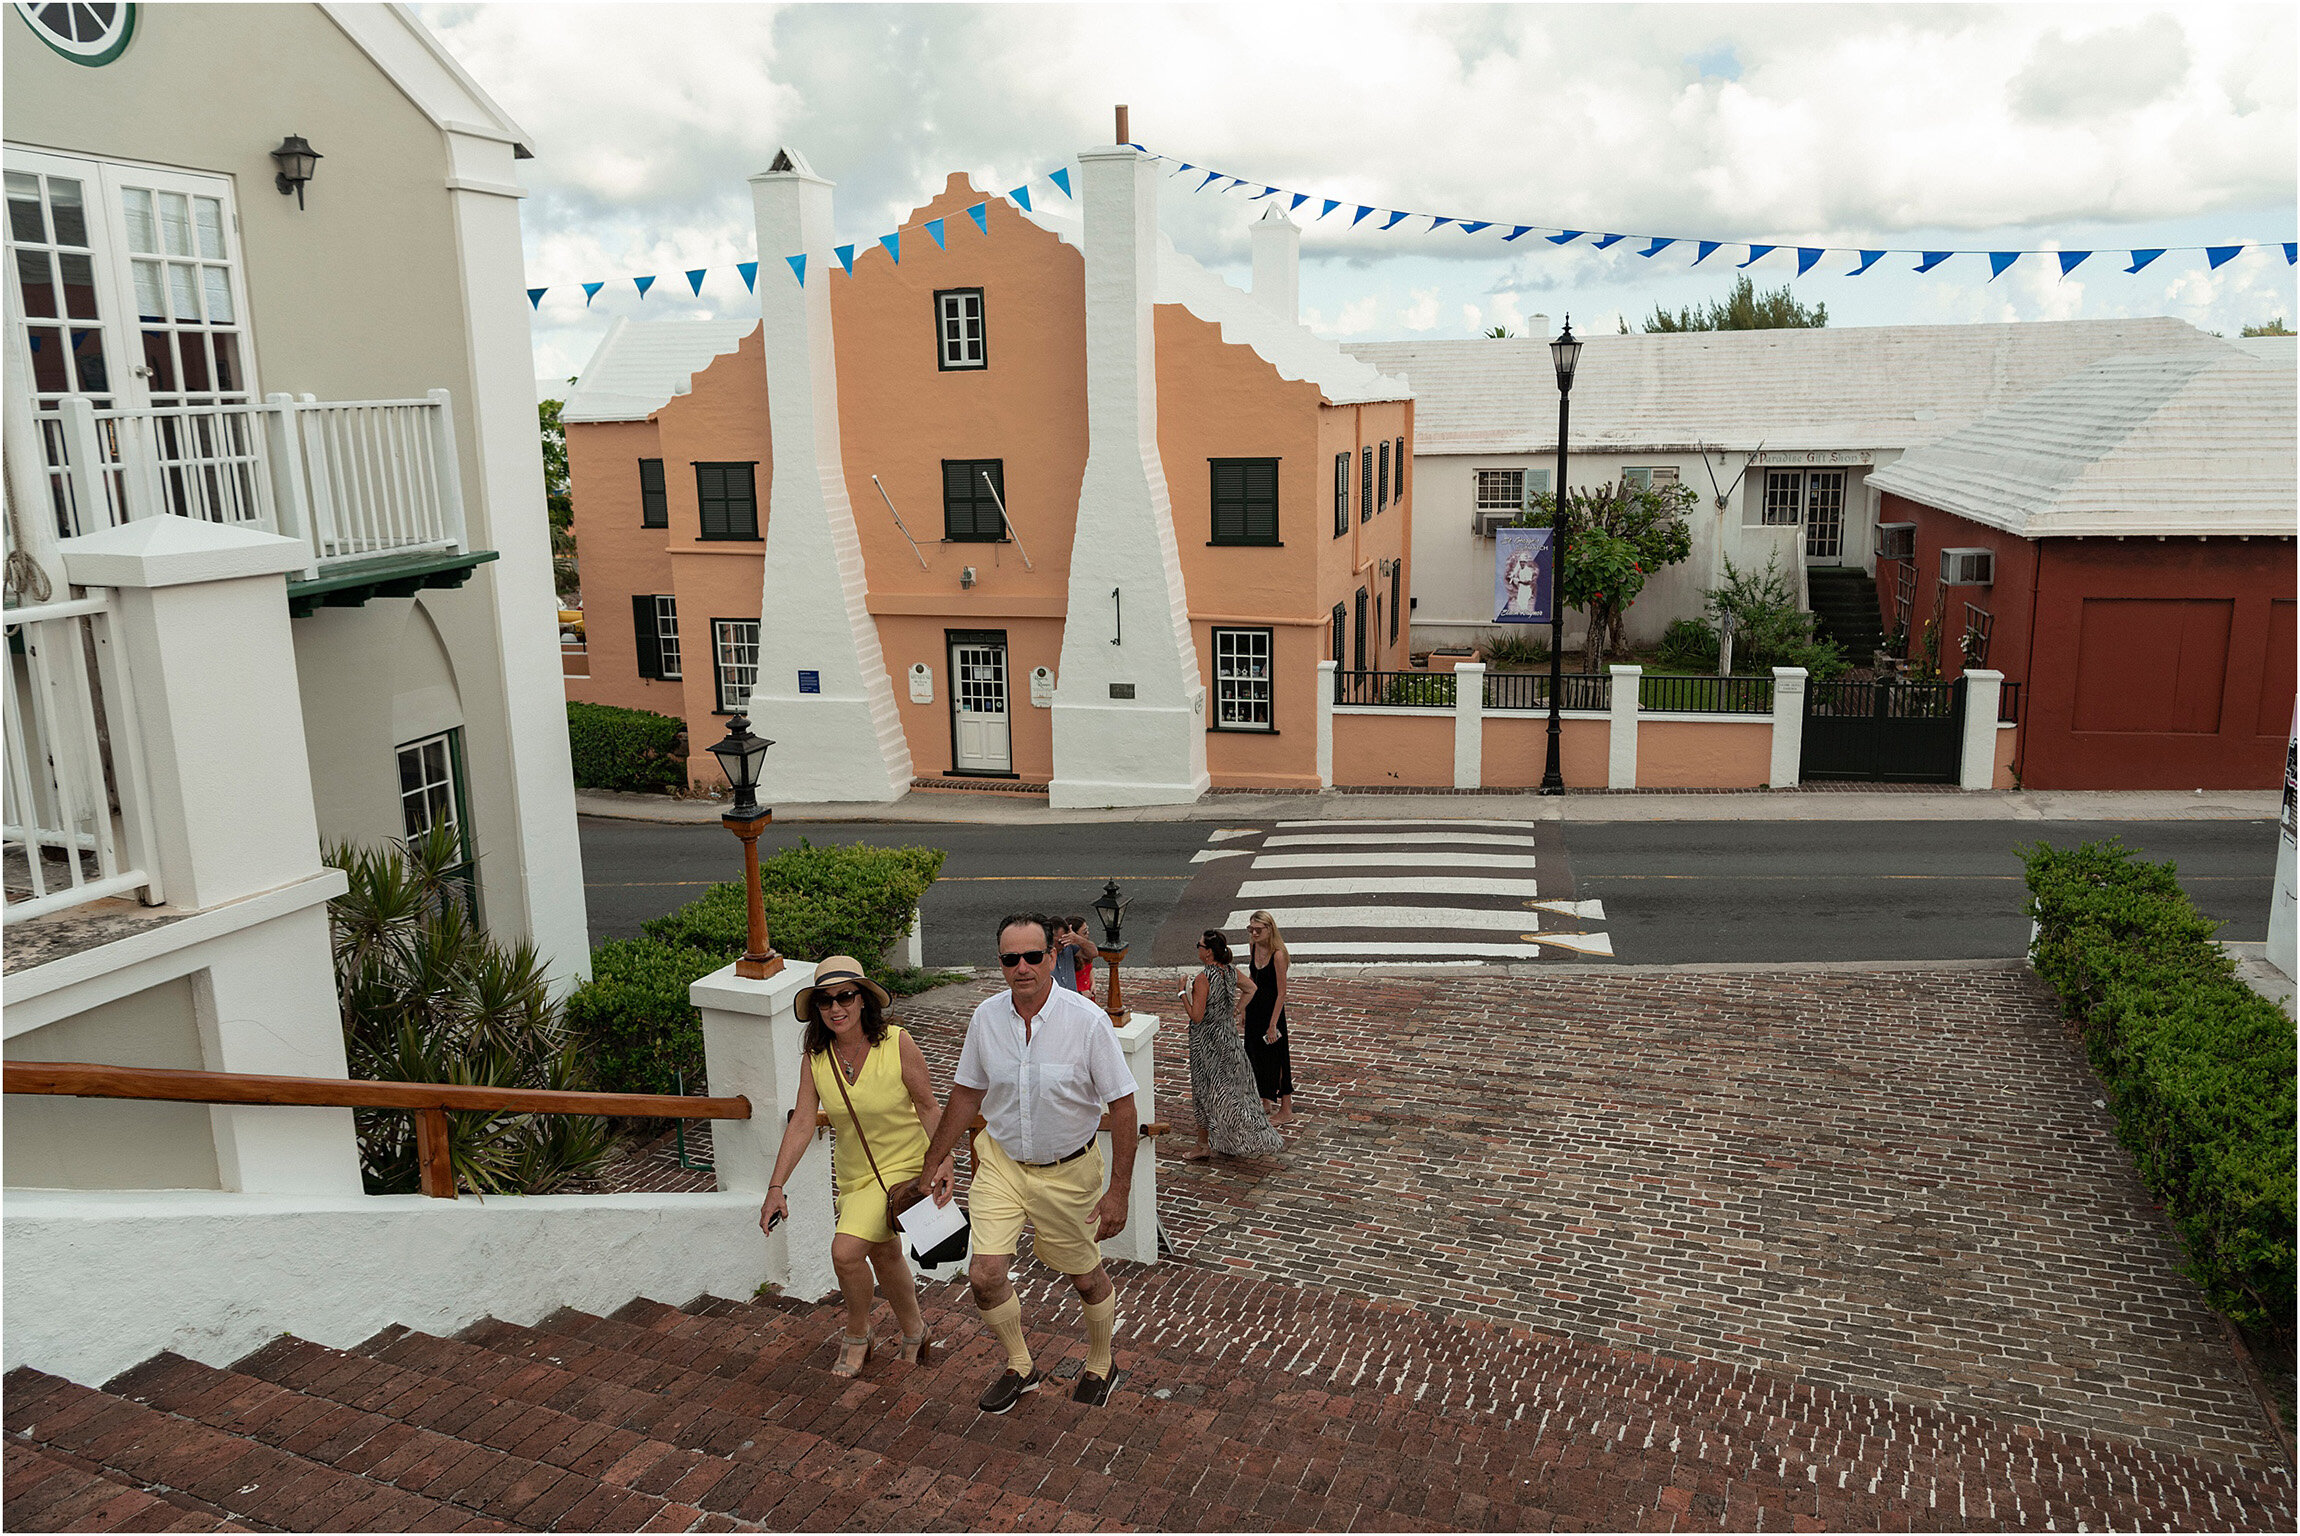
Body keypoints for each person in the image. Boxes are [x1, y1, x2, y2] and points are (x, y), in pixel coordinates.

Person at [894, 913, 1140, 1413]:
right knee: (983, 1276)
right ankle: (1021, 1365)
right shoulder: (986, 1018)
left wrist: (1119, 1192)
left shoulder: (1087, 1022)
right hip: (1002, 1165)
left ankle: (1101, 1362)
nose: (1022, 967)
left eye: (1033, 956)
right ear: (1001, 963)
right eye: (1011, 959)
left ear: (1053, 956)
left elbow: (1124, 1108)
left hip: (1070, 1171)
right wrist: (932, 1164)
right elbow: (965, 1095)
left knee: (1086, 1278)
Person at [758, 956, 954, 1378]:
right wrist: (776, 1186)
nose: (835, 1008)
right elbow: (803, 1123)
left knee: (845, 1253)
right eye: (825, 1001)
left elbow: (928, 1106)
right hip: (855, 1176)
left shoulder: (897, 1042)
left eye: (844, 996)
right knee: (884, 1254)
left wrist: (944, 1161)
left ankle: (856, 1333)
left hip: (905, 1168)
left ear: (863, 999)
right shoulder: (816, 1058)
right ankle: (915, 1331)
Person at [1177, 930, 1284, 1161]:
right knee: (1236, 1089)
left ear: (1207, 953)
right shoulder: (1229, 971)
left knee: (1204, 1090)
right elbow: (1251, 988)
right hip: (1229, 1037)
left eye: (1199, 945)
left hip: (1206, 1042)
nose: (1197, 948)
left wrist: (1182, 992)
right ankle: (1235, 1137)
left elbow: (1197, 1016)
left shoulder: (1203, 977)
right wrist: (1236, 1010)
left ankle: (1202, 1144)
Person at [1241, 910, 1297, 1123]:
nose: (1254, 933)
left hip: (1272, 1011)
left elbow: (1281, 992)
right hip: (1255, 1008)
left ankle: (1286, 1108)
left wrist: (1273, 1024)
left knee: (1278, 1057)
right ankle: (1265, 1098)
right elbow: (1252, 979)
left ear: (1269, 929)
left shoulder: (1278, 954)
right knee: (1254, 1053)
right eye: (1251, 929)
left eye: (1258, 930)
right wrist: (1245, 1007)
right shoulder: (1253, 946)